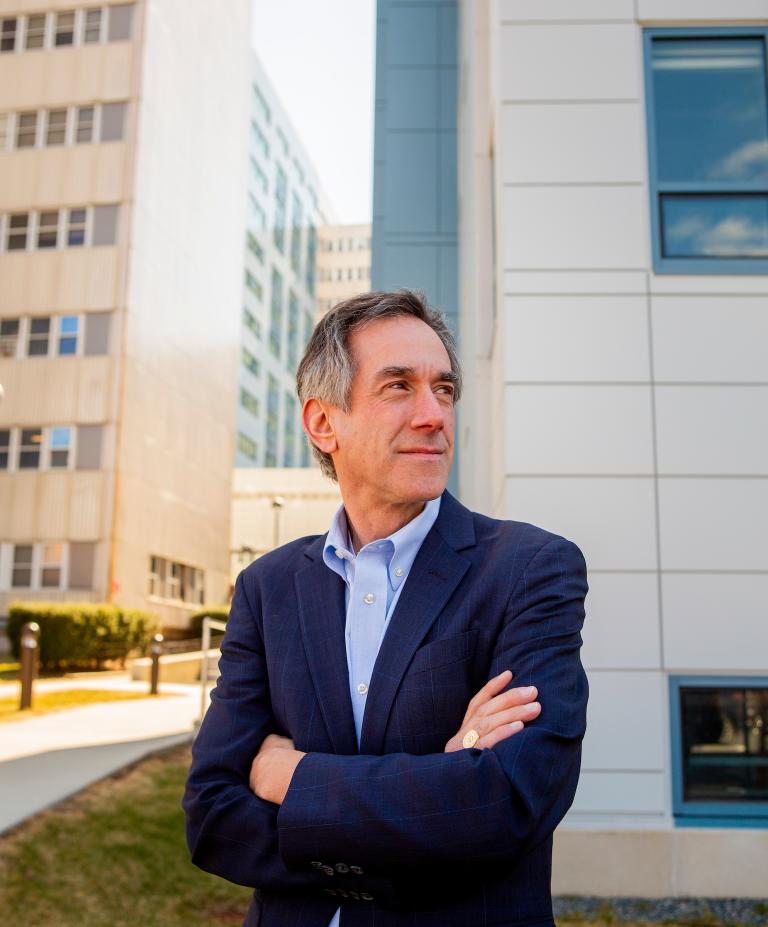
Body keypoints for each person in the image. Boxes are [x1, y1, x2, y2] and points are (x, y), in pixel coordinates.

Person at [183, 289, 589, 927]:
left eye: (445, 390)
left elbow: (510, 800)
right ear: (324, 423)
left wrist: (293, 780)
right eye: (399, 387)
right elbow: (213, 816)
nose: (434, 414)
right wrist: (438, 785)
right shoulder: (267, 587)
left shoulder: (529, 569)